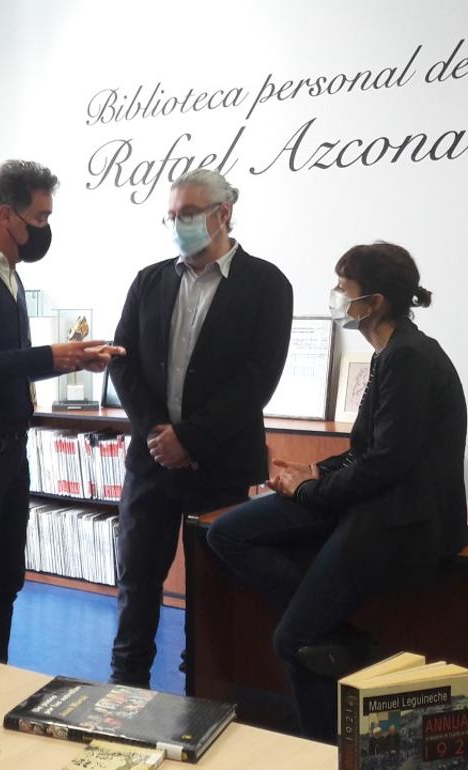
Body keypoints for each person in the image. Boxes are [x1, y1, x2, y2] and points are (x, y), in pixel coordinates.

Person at [207, 242, 467, 742]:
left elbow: (385, 464)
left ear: (375, 302)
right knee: (227, 534)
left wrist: (310, 490)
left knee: (294, 639)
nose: (335, 297)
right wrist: (314, 470)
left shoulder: (409, 358)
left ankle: (325, 750)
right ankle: (339, 629)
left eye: (342, 289)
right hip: (374, 504)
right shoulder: (392, 353)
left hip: (398, 523)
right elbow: (365, 451)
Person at [0, 160, 121, 663]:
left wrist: (72, 360)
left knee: (6, 578)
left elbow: (8, 366)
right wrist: (51, 356)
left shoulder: (6, 274)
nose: (45, 229)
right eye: (39, 217)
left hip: (7, 446)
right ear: (7, 214)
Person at [108, 168, 293, 688]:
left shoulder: (267, 284)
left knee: (213, 590)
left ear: (223, 214)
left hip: (221, 467)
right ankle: (127, 688)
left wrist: (189, 439)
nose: (177, 225)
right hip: (151, 464)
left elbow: (259, 379)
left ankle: (205, 690)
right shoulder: (150, 280)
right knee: (137, 581)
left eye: (186, 215)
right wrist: (157, 433)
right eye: (171, 216)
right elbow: (122, 362)